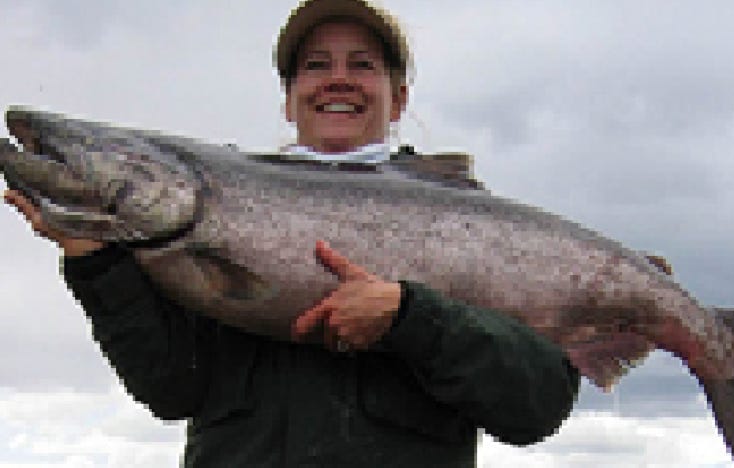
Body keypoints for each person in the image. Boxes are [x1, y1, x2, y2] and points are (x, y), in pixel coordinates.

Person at [3, 0, 580, 466]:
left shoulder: (478, 228)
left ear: (398, 96)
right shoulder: (197, 229)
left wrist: (410, 317)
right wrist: (94, 259)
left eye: (362, 64)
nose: (338, 79)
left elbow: (536, 407)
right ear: (288, 98)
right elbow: (172, 389)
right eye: (315, 65)